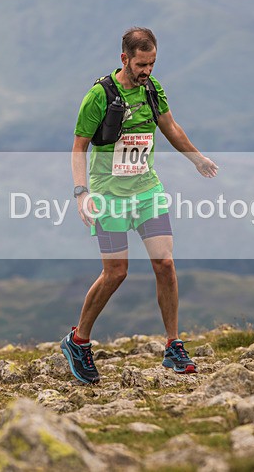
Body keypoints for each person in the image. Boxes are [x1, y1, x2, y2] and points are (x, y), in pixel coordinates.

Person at [61, 26, 218, 384]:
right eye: (141, 64)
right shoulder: (98, 96)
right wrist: (82, 193)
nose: (147, 70)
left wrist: (196, 159)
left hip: (147, 190)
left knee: (164, 263)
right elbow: (78, 148)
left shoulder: (152, 89)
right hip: (109, 195)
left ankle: (173, 346)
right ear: (124, 59)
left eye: (152, 63)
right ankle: (79, 340)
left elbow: (170, 127)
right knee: (116, 272)